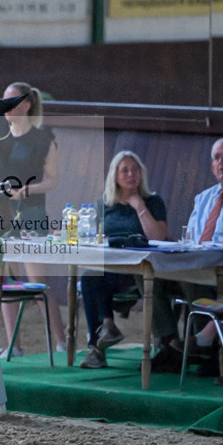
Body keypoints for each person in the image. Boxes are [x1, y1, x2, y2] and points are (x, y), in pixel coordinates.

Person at [152, 137, 223, 373]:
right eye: (216, 157)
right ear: (211, 165)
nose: (221, 162)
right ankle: (169, 345)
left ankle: (205, 346)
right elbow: (194, 238)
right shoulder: (204, 197)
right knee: (151, 276)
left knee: (190, 278)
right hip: (198, 263)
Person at [80, 151, 168, 368]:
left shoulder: (153, 201)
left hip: (141, 270)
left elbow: (158, 236)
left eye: (135, 169)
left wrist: (139, 206)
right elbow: (95, 237)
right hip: (111, 268)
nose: (131, 174)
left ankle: (103, 337)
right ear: (115, 176)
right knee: (90, 276)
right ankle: (104, 334)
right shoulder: (104, 204)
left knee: (98, 278)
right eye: (125, 170)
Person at [0, 81, 66, 355]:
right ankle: (13, 345)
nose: (5, 107)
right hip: (4, 215)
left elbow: (52, 180)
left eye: (11, 101)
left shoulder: (43, 138)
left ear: (26, 104)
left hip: (32, 213)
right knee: (5, 283)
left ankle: (62, 342)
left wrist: (27, 191)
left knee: (38, 282)